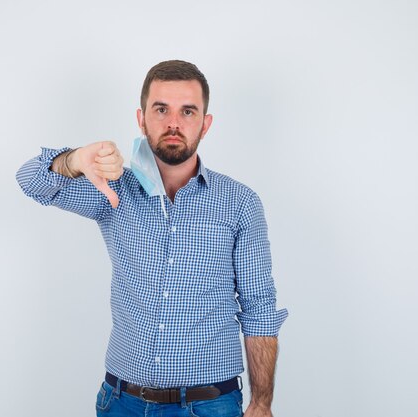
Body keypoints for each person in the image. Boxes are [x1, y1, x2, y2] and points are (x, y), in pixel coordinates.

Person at [16, 60, 287, 417]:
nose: (174, 123)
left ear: (205, 124)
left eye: (187, 111)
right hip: (121, 402)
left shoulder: (239, 203)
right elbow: (31, 181)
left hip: (210, 406)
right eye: (162, 109)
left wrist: (261, 402)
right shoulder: (112, 190)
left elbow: (259, 308)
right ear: (142, 119)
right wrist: (74, 160)